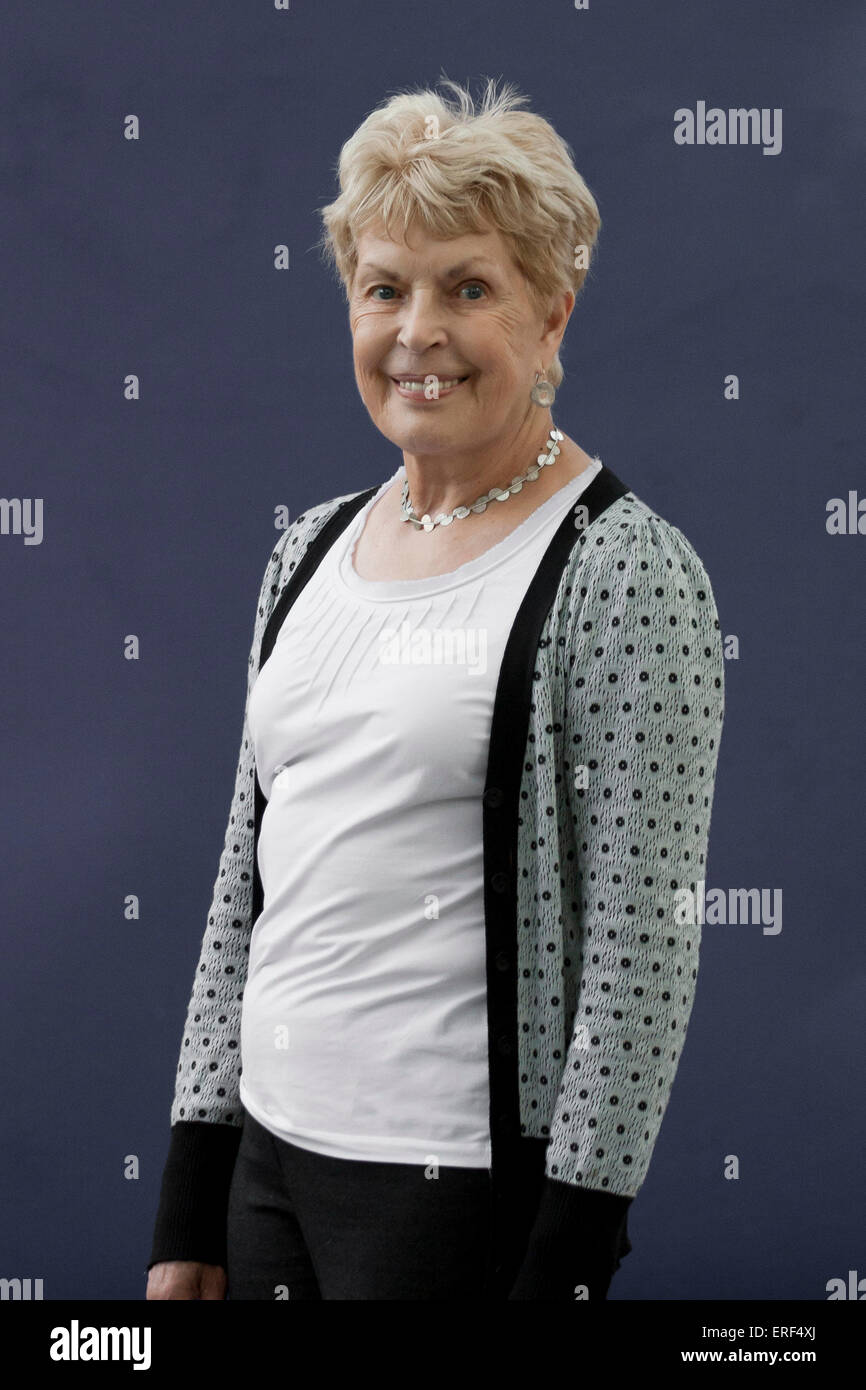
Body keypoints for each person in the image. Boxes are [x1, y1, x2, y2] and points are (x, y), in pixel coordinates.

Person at [145, 76, 725, 1301]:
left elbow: (640, 949)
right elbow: (242, 882)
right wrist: (193, 1199)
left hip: (451, 1197)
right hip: (269, 1163)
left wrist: (564, 1255)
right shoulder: (303, 550)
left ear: (551, 314)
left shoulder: (622, 571)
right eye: (383, 288)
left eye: (469, 287)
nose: (417, 332)